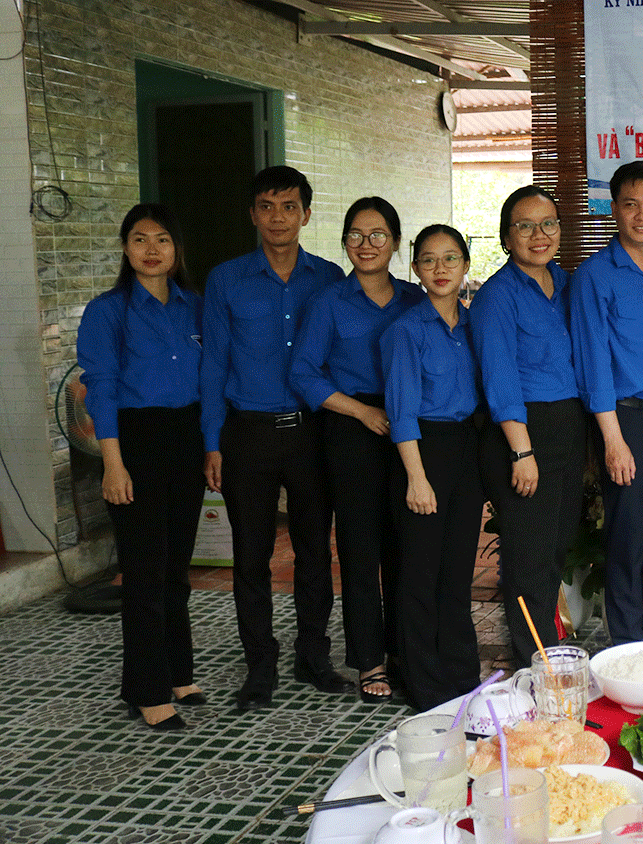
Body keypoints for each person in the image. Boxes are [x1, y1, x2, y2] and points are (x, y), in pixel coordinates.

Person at [201, 166, 347, 710]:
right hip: (248, 434)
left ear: (306, 215)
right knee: (250, 555)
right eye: (267, 206)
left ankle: (314, 656)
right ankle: (259, 666)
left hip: (311, 432)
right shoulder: (226, 280)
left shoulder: (329, 277)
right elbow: (213, 364)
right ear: (253, 214)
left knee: (314, 550)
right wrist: (212, 441)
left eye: (289, 207)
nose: (278, 217)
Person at [78, 203, 205, 730]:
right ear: (125, 248)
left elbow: (209, 380)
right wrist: (113, 463)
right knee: (145, 573)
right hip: (134, 442)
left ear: (177, 250)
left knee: (176, 569)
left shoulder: (194, 307)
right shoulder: (107, 311)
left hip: (186, 438)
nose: (151, 250)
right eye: (139, 239)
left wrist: (211, 449)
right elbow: (100, 389)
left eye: (162, 240)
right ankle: (146, 689)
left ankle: (178, 673)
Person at [290, 197, 423, 703]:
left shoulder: (414, 298)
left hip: (408, 425)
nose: (367, 245)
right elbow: (304, 372)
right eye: (356, 235)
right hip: (351, 429)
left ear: (396, 242)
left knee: (405, 544)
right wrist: (363, 412)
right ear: (344, 241)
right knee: (361, 547)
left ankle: (404, 652)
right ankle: (370, 660)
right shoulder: (329, 301)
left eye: (378, 235)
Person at [570, 161, 643, 644]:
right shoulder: (594, 276)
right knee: (627, 538)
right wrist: (612, 440)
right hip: (626, 421)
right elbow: (593, 363)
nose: (642, 215)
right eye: (631, 205)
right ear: (613, 208)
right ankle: (629, 646)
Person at [473, 186, 586, 664]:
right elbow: (499, 380)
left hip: (568, 426)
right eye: (524, 226)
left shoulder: (566, 284)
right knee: (529, 559)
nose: (539, 235)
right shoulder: (497, 296)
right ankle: (534, 665)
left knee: (556, 549)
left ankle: (546, 651)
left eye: (548, 224)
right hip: (523, 433)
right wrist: (522, 452)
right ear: (506, 238)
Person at [380, 224, 484, 712]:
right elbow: (400, 411)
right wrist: (417, 478)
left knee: (457, 570)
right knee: (420, 573)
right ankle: (423, 684)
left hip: (467, 451)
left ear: (466, 265)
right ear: (415, 268)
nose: (440, 269)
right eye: (428, 259)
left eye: (450, 259)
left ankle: (461, 675)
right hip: (422, 452)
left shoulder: (474, 325)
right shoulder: (405, 330)